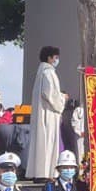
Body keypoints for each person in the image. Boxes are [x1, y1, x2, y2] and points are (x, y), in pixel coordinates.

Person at [29, 46, 66, 183]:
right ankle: (45, 173)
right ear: (49, 58)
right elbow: (49, 93)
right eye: (55, 57)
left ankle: (40, 172)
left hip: (45, 111)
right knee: (47, 142)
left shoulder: (41, 72)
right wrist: (62, 99)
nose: (57, 60)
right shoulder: (48, 73)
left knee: (43, 143)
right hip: (48, 114)